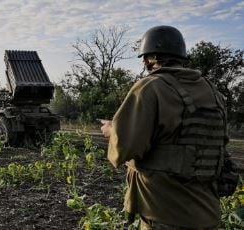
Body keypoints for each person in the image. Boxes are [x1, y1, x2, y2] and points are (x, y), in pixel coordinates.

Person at [100, 25, 235, 229]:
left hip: (165, 215)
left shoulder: (151, 87)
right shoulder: (213, 92)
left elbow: (123, 148)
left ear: (149, 58)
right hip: (207, 215)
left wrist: (111, 131)